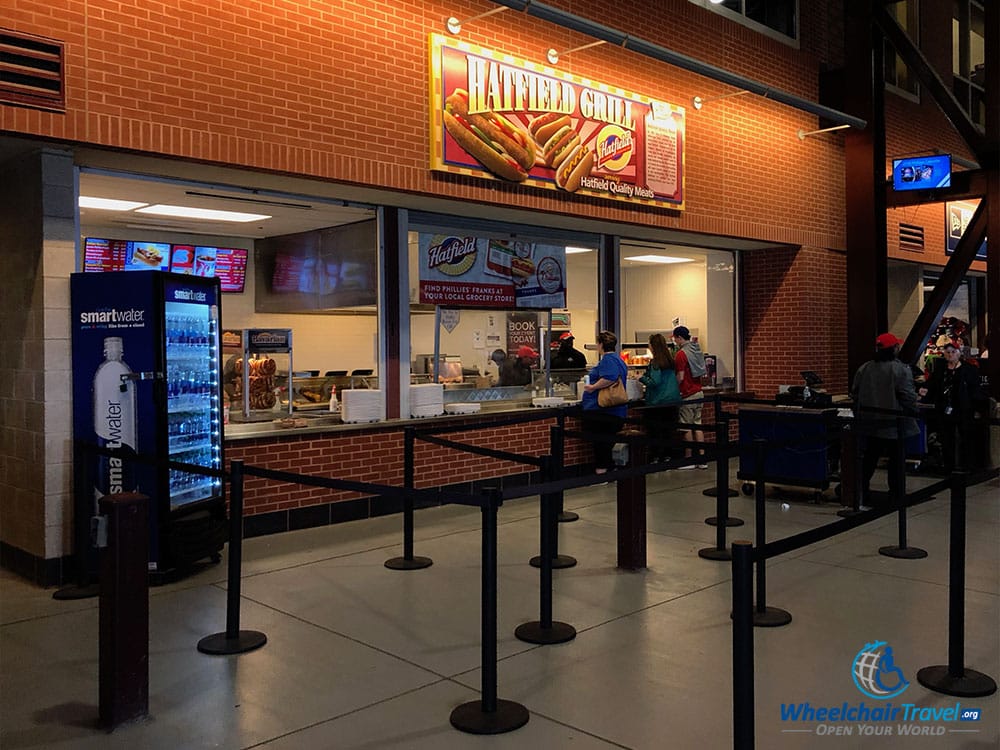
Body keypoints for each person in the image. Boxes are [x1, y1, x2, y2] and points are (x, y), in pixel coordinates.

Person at [851, 333, 919, 507]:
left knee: (868, 460)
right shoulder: (900, 370)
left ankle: (859, 492)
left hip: (870, 424)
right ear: (894, 349)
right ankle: (896, 495)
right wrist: (913, 411)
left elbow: (855, 393)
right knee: (896, 462)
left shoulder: (864, 368)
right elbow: (908, 397)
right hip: (894, 425)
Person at [918, 341, 986, 470]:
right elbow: (931, 384)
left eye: (953, 352)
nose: (950, 355)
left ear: (959, 353)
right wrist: (923, 392)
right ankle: (949, 466)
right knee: (946, 438)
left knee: (966, 438)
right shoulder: (940, 369)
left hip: (963, 409)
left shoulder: (969, 370)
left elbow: (975, 390)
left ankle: (967, 466)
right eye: (947, 352)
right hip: (944, 408)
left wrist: (977, 408)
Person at [581, 330, 629, 474]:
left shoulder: (607, 360)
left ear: (600, 344)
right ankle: (609, 468)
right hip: (616, 411)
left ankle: (602, 471)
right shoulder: (619, 359)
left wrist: (592, 387)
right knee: (608, 442)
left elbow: (610, 377)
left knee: (601, 443)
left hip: (604, 410)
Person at [639, 333, 681, 463]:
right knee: (668, 431)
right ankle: (668, 456)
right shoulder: (670, 361)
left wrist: (641, 378)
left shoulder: (655, 363)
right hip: (672, 401)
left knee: (655, 431)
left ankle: (656, 457)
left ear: (653, 346)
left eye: (649, 344)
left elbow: (655, 382)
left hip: (657, 402)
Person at [671, 325, 706, 469]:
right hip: (699, 392)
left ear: (679, 337)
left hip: (687, 394)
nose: (674, 341)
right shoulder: (696, 349)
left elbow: (680, 376)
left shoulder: (681, 354)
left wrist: (673, 386)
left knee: (686, 427)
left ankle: (689, 459)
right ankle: (703, 458)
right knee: (697, 426)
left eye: (675, 338)